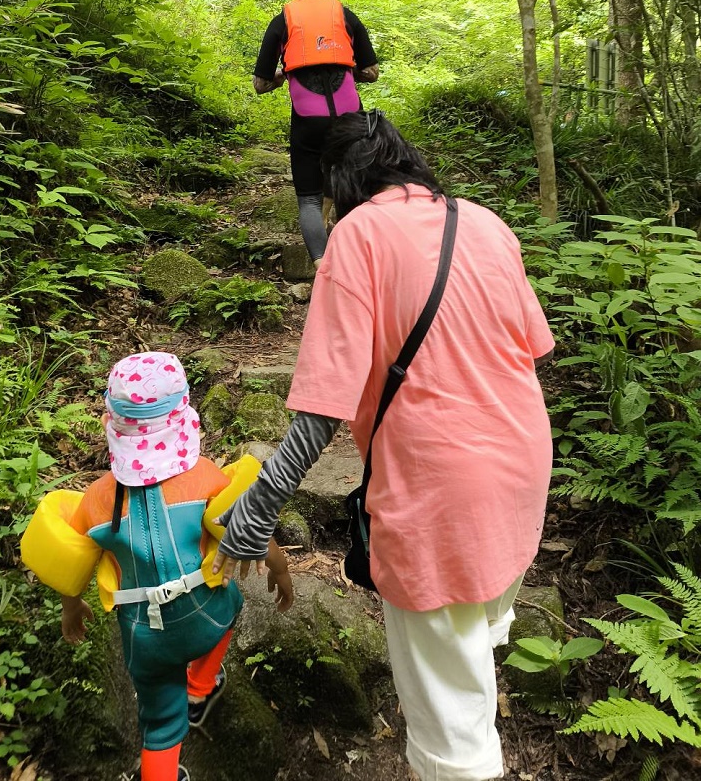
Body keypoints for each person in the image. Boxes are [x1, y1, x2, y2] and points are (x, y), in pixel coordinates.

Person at [211, 112, 555, 781]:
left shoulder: (356, 236)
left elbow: (320, 415)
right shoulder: (484, 222)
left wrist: (254, 513)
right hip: (523, 469)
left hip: (440, 497)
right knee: (470, 644)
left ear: (341, 181)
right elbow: (532, 350)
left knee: (454, 737)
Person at [21, 350, 293, 781]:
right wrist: (279, 569)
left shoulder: (94, 501)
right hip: (206, 611)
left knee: (161, 727)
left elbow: (68, 562)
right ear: (183, 418)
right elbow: (248, 528)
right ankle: (200, 691)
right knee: (233, 607)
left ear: (112, 425)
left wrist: (70, 607)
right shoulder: (205, 477)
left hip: (143, 636)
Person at [252, 0, 379, 267]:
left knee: (309, 201)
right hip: (351, 120)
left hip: (308, 123)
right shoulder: (345, 15)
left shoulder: (282, 20)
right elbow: (372, 72)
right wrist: (351, 71)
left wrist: (284, 76)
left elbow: (260, 84)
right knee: (356, 194)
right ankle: (362, 265)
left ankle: (324, 269)